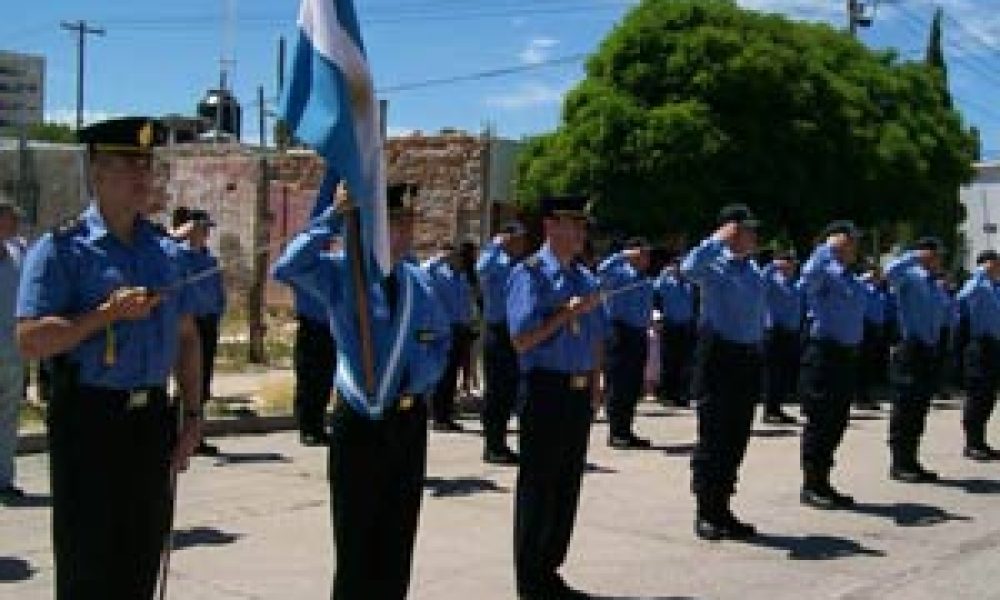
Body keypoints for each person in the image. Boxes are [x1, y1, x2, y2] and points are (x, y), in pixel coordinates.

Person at [15, 117, 203, 598]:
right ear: (97, 173)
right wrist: (102, 316)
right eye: (126, 164)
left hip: (151, 419)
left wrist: (194, 414)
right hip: (90, 419)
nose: (142, 176)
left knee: (140, 556)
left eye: (146, 164)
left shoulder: (164, 250)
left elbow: (186, 336)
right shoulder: (62, 249)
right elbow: (30, 339)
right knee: (89, 562)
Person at [272, 182, 451, 600]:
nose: (403, 232)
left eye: (408, 222)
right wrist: (331, 219)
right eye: (393, 223)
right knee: (356, 548)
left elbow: (441, 340)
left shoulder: (420, 282)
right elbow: (288, 268)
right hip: (361, 424)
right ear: (370, 226)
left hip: (407, 421)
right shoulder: (343, 271)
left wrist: (419, 378)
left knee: (397, 541)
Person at [508, 194, 605, 599]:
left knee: (567, 486)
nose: (581, 233)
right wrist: (566, 314)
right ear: (550, 226)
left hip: (578, 391)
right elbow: (522, 339)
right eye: (573, 224)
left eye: (583, 226)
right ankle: (530, 580)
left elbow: (598, 336)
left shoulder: (585, 277)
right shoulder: (529, 274)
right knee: (539, 485)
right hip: (545, 388)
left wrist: (597, 382)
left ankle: (550, 570)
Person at [681, 204, 765, 541]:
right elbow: (688, 268)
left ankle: (724, 507)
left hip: (747, 359)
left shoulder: (753, 270)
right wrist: (717, 239)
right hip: (719, 358)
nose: (754, 236)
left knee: (736, 438)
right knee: (714, 438)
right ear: (732, 231)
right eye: (747, 230)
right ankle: (705, 511)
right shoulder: (714, 265)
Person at [797, 222, 867, 509]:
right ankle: (811, 485)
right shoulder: (821, 271)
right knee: (820, 421)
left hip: (846, 356)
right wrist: (826, 247)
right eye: (850, 241)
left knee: (837, 421)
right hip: (824, 354)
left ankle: (824, 481)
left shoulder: (850, 277)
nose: (855, 246)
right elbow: (807, 276)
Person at [884, 237, 947, 482]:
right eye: (935, 254)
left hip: (928, 350)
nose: (939, 259)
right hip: (910, 349)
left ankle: (912, 460)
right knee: (905, 407)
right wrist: (914, 256)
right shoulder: (909, 276)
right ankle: (899, 463)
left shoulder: (935, 285)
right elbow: (889, 272)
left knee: (919, 409)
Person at [174, 208, 227, 456]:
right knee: (185, 378)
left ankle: (197, 434)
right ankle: (177, 431)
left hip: (208, 322)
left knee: (203, 378)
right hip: (187, 322)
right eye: (201, 229)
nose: (205, 234)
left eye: (207, 230)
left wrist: (218, 310)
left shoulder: (210, 260)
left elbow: (217, 290)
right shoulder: (178, 257)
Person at [477, 220, 528, 465]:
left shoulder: (519, 266)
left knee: (510, 391)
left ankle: (501, 443)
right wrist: (497, 243)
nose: (522, 244)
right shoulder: (493, 263)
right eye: (517, 240)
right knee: (496, 392)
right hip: (497, 331)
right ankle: (493, 445)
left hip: (515, 332)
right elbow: (480, 267)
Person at [598, 236, 655, 448]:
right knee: (618, 383)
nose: (646, 258)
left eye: (648, 255)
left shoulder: (646, 280)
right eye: (642, 254)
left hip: (638, 333)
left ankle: (626, 429)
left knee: (632, 384)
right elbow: (602, 270)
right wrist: (624, 255)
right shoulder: (619, 275)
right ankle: (616, 432)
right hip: (619, 332)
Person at [423, 241, 475, 432]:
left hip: (460, 330)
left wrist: (469, 324)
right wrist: (439, 258)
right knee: (443, 374)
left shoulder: (461, 277)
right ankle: (438, 417)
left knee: (452, 374)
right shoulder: (437, 273)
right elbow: (423, 271)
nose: (458, 260)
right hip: (443, 330)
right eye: (454, 256)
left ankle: (446, 415)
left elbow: (465, 304)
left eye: (459, 257)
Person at [955, 250, 1000, 461]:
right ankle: (971, 443)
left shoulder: (995, 289)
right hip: (979, 345)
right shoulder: (976, 285)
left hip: (995, 347)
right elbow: (963, 298)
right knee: (977, 397)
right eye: (994, 263)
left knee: (988, 397)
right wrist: (981, 273)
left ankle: (980, 441)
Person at [0, 196, 27, 503]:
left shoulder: (18, 252)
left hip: (13, 350)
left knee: (7, 418)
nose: (16, 223)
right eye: (10, 217)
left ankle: (4, 479)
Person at [761, 251, 803, 424]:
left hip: (791, 333)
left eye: (794, 265)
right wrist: (774, 264)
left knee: (784, 373)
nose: (793, 267)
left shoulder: (795, 285)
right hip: (775, 332)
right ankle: (770, 409)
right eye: (790, 263)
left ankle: (777, 407)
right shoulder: (772, 281)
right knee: (773, 373)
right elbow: (761, 277)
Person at [653, 256, 697, 407]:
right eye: (678, 266)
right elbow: (655, 288)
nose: (681, 270)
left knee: (685, 363)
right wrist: (664, 274)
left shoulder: (689, 285)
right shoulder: (666, 283)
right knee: (669, 362)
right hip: (670, 326)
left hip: (686, 327)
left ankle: (682, 395)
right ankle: (667, 395)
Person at [857, 263, 890, 410]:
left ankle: (865, 396)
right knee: (862, 364)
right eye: (875, 275)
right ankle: (860, 397)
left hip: (877, 329)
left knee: (870, 364)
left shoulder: (881, 293)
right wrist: (866, 278)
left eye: (878, 275)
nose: (877, 278)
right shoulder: (863, 288)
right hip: (865, 327)